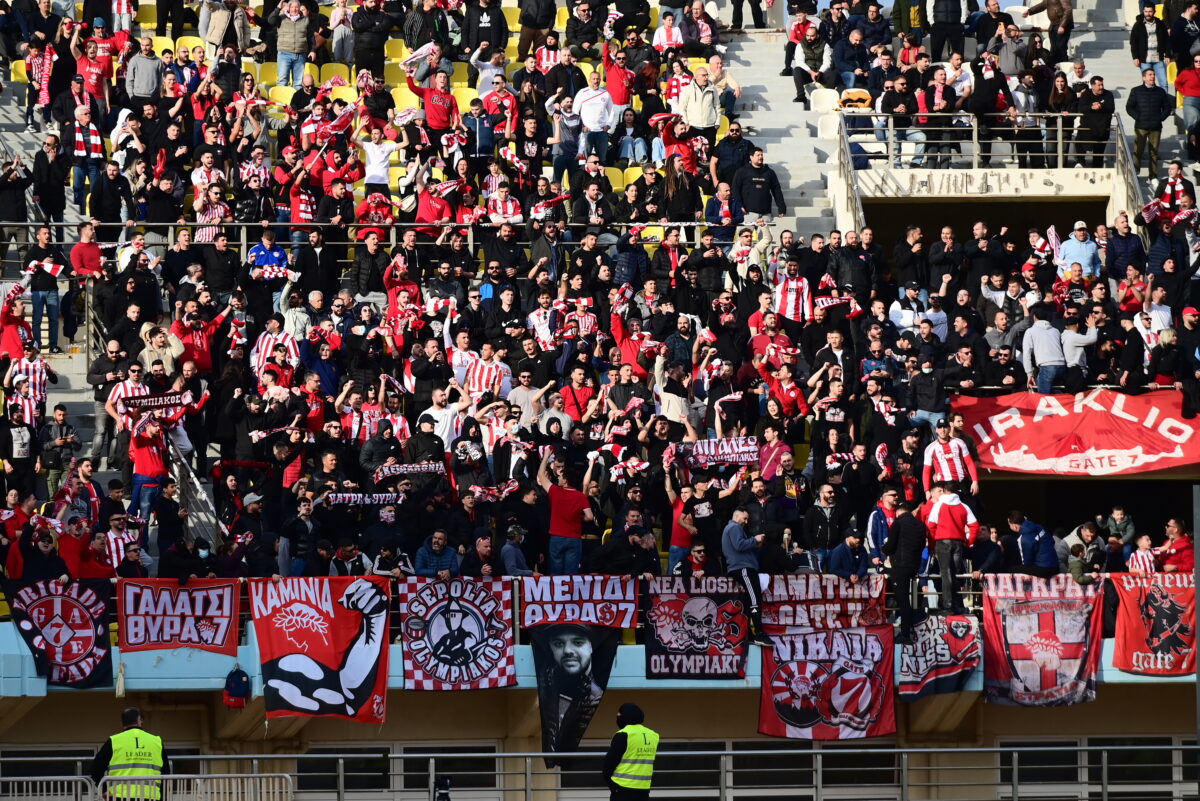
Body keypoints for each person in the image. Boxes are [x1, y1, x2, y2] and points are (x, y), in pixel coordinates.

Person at [89, 707, 167, 797]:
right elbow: (166, 773)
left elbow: (95, 769)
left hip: (120, 797)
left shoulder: (114, 741)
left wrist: (104, 790)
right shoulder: (157, 741)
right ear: (139, 721)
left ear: (122, 723)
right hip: (151, 796)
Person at [722, 506, 772, 646]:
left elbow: (740, 547)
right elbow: (739, 545)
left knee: (751, 600)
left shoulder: (732, 529)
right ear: (737, 516)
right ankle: (758, 634)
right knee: (754, 599)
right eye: (744, 518)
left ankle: (751, 634)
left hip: (742, 567)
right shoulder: (734, 527)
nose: (746, 521)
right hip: (743, 568)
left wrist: (754, 545)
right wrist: (754, 539)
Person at [602, 703, 659, 800]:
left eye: (619, 715)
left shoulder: (623, 734)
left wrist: (611, 785)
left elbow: (609, 764)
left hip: (622, 788)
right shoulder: (653, 735)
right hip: (643, 789)